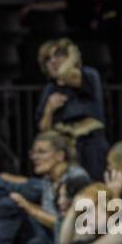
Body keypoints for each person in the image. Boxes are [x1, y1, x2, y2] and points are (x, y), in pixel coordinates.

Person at [35, 38, 108, 181]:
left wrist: (72, 57)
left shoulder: (88, 75)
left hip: (90, 145)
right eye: (48, 59)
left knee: (93, 187)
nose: (53, 61)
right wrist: (49, 110)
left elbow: (64, 74)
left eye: (58, 56)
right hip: (65, 149)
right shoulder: (50, 89)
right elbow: (44, 130)